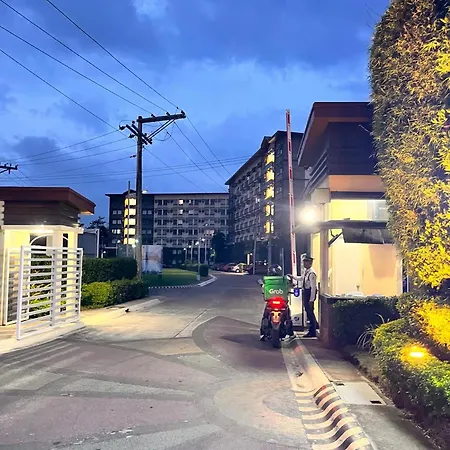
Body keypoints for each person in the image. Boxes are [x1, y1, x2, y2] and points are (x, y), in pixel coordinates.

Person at [302, 255, 318, 338]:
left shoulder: (312, 274)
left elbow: (313, 288)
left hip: (309, 294)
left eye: (306, 262)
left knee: (310, 313)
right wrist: (293, 277)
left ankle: (313, 331)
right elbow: (302, 278)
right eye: (304, 262)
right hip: (306, 293)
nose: (304, 264)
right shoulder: (307, 272)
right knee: (308, 312)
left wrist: (311, 300)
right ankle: (313, 328)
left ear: (310, 263)